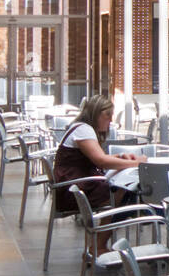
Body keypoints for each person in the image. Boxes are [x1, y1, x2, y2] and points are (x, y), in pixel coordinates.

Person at [53, 95, 146, 253]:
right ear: (96, 113)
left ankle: (99, 244)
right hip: (74, 190)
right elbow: (101, 161)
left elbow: (98, 158)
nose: (110, 120)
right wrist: (138, 163)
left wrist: (120, 157)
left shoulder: (80, 127)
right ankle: (98, 246)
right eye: (107, 115)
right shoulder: (84, 130)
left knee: (121, 190)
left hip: (74, 184)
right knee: (121, 192)